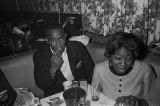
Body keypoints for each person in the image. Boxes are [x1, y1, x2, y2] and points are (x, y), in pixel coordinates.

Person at [91, 32, 156, 106]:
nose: (123, 64)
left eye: (129, 58)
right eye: (118, 58)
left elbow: (151, 99)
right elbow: (94, 97)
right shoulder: (99, 69)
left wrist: (138, 102)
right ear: (110, 55)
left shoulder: (144, 68)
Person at [33, 23, 94, 97]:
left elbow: (91, 71)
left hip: (79, 92)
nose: (58, 44)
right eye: (53, 41)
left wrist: (87, 91)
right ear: (47, 40)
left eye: (61, 38)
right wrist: (53, 69)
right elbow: (41, 85)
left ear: (65, 36)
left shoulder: (78, 47)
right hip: (56, 96)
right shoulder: (40, 56)